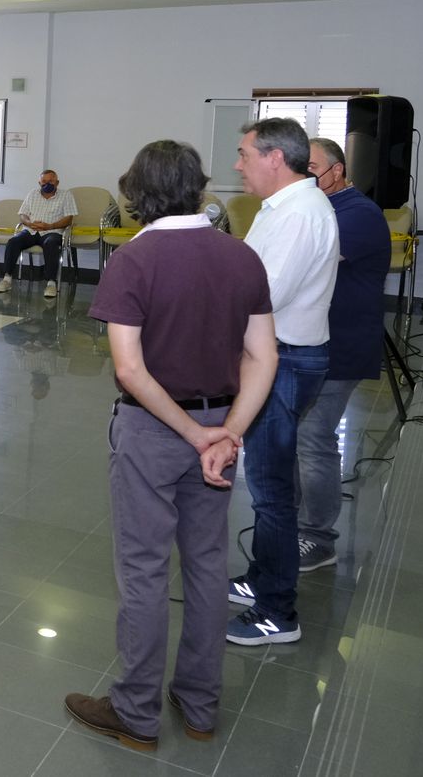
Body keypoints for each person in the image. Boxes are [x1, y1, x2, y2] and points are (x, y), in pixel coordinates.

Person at [63, 140, 277, 753]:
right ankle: (200, 703)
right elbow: (264, 355)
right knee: (208, 564)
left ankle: (134, 711)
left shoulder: (133, 261)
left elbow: (130, 370)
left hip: (155, 431)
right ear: (197, 187)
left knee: (144, 568)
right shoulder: (242, 257)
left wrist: (192, 433)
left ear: (137, 194)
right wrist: (227, 432)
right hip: (220, 429)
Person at [225, 118, 339, 646]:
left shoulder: (299, 216)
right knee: (274, 483)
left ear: (275, 158)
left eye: (244, 154)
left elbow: (263, 295)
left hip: (286, 359)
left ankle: (277, 612)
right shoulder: (281, 210)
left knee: (270, 494)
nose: (237, 164)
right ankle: (261, 579)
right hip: (280, 354)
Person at [295, 137, 389, 575]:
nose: (306, 174)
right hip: (311, 342)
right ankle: (292, 524)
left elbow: (310, 261)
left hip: (342, 345)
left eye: (312, 166)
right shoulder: (317, 207)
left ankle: (318, 538)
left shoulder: (359, 214)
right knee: (297, 434)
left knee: (314, 437)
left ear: (338, 170)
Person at [0, 169, 78, 299]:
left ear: (57, 182)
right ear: (39, 183)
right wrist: (29, 223)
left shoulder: (66, 195)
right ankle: (7, 279)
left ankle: (51, 283)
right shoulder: (33, 193)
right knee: (13, 241)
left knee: (50, 244)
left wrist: (50, 226)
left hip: (52, 231)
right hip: (31, 230)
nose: (47, 184)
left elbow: (69, 219)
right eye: (44, 181)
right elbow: (23, 214)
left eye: (51, 181)